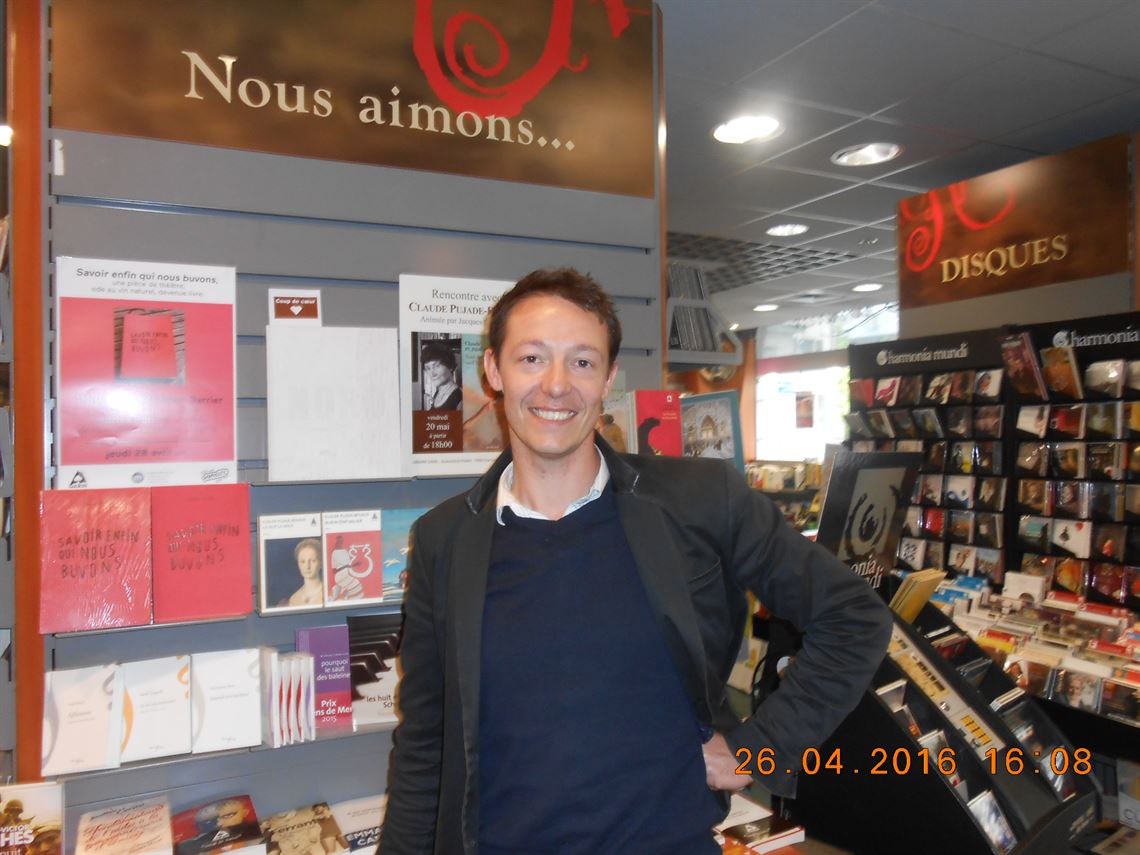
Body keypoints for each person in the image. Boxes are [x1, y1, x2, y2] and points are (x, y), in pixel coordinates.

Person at [379, 268, 892, 854]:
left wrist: (760, 748)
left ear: (607, 378)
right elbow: (425, 740)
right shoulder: (445, 540)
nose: (555, 385)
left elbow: (855, 617)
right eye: (531, 358)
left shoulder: (699, 501)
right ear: (494, 371)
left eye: (582, 361)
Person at [279, 538, 323, 608]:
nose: (307, 566)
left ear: (320, 563)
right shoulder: (294, 598)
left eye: (313, 561)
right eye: (302, 562)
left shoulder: (329, 594)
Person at [420, 342, 462, 411]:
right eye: (428, 368)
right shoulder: (437, 393)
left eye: (437, 366)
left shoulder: (460, 398)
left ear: (450, 366)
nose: (432, 374)